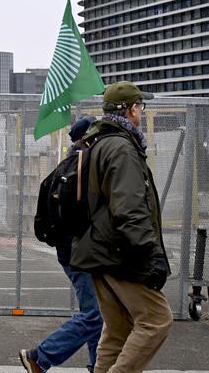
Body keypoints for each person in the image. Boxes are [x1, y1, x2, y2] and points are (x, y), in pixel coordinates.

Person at [70, 81, 172, 372]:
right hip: (120, 251)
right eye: (139, 106)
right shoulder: (122, 147)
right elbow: (129, 208)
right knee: (156, 320)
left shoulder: (98, 141)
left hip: (99, 248)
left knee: (117, 330)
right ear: (130, 109)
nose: (140, 112)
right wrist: (149, 251)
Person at [20, 115, 103, 373]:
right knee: (95, 315)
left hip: (71, 252)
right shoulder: (85, 167)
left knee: (97, 314)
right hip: (83, 252)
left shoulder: (65, 167)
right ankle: (40, 356)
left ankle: (97, 366)